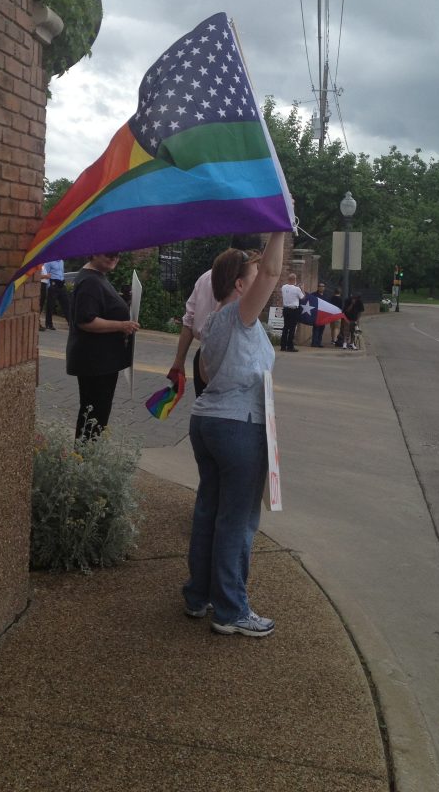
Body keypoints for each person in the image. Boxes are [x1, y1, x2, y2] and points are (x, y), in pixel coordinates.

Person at [183, 231, 285, 637]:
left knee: (209, 510)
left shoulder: (212, 323)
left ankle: (199, 595)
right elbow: (274, 270)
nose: (263, 278)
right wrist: (281, 226)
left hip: (206, 422)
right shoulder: (240, 317)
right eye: (254, 275)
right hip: (238, 426)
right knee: (237, 521)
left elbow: (205, 373)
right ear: (240, 285)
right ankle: (230, 609)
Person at [169, 235, 262, 397]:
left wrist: (179, 361)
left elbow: (189, 322)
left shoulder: (205, 277)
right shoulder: (247, 285)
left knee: (205, 405)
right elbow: (271, 273)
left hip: (204, 356)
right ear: (254, 254)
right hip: (233, 359)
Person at [66, 251, 140, 440]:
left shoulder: (97, 277)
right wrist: (121, 325)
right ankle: (84, 459)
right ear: (92, 252)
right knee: (94, 415)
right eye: (109, 253)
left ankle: (86, 458)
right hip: (95, 362)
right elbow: (85, 321)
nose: (114, 257)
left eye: (118, 254)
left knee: (95, 415)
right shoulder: (90, 281)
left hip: (100, 361)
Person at [40, 259, 69, 330]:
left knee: (66, 303)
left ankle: (70, 322)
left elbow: (61, 272)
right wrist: (49, 285)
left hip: (61, 283)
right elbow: (46, 273)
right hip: (53, 283)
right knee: (51, 305)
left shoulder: (62, 261)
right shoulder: (49, 261)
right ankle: (49, 324)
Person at [279, 272, 304, 352]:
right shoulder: (297, 289)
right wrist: (302, 289)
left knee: (286, 327)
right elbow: (302, 297)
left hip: (285, 309)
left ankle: (283, 346)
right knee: (292, 328)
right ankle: (290, 346)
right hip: (293, 310)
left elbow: (288, 291)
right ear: (294, 280)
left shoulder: (283, 287)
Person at [310, 281, 327, 347]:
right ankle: (314, 343)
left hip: (323, 315)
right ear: (318, 287)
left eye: (323, 286)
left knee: (321, 330)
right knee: (316, 329)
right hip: (316, 315)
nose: (321, 288)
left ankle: (319, 343)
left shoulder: (326, 296)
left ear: (324, 288)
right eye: (320, 286)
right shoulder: (313, 295)